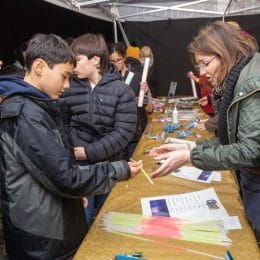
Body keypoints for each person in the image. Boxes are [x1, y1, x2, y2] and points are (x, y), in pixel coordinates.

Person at [0, 33, 142, 259]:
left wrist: (72, 196)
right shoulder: (25, 115)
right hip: (43, 237)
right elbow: (65, 177)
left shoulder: (40, 106)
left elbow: (51, 168)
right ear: (39, 67)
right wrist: (119, 169)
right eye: (64, 76)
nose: (67, 85)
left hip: (52, 222)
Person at [149, 21, 260, 240]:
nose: (202, 72)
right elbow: (233, 141)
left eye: (205, 63)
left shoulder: (251, 82)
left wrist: (190, 156)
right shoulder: (239, 78)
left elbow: (250, 151)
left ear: (224, 53)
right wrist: (191, 146)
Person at [63, 33, 138, 228]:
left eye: (77, 60)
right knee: (82, 222)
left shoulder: (122, 91)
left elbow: (123, 133)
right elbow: (61, 125)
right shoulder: (68, 88)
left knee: (109, 224)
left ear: (95, 59)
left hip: (110, 167)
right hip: (80, 170)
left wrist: (88, 152)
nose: (72, 66)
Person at [109, 41, 154, 159]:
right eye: (112, 61)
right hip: (115, 134)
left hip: (134, 132)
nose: (115, 64)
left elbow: (150, 109)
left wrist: (146, 92)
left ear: (124, 58)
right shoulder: (107, 79)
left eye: (118, 60)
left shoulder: (136, 77)